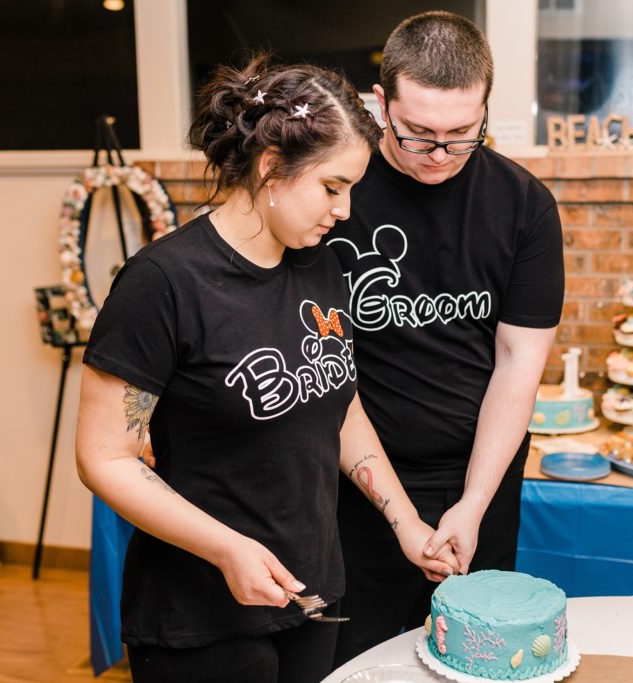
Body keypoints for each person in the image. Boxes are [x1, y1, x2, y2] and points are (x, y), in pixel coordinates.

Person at [75, 54, 458, 683]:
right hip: (201, 614)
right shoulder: (163, 283)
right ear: (272, 168)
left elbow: (340, 407)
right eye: (333, 187)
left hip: (311, 590)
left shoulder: (322, 265)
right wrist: (227, 548)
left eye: (353, 189)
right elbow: (104, 458)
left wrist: (406, 521)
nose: (345, 210)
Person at [325, 11, 564, 664]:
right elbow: (327, 374)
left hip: (480, 474)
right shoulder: (333, 197)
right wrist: (400, 513)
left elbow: (519, 366)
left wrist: (473, 504)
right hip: (359, 483)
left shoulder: (524, 206)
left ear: (486, 107)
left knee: (476, 661)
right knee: (357, 659)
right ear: (382, 104)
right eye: (419, 134)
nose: (439, 154)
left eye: (462, 134)